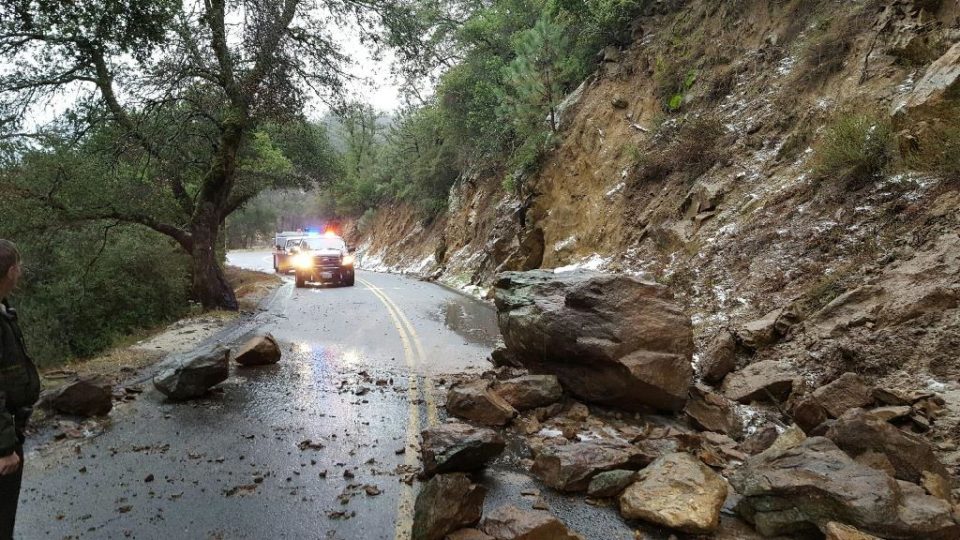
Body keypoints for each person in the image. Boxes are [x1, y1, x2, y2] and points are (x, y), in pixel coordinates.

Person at [0, 240, 40, 540]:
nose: (21, 271)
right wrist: (5, 449)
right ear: (11, 270)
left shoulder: (4, 309)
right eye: (19, 266)